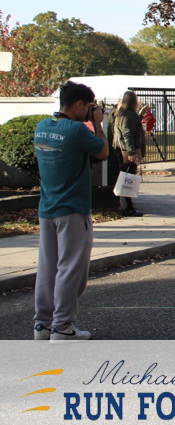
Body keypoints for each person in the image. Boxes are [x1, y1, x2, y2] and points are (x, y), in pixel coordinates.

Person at [32, 81, 109, 340]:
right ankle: (63, 327)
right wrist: (98, 123)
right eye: (88, 107)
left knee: (48, 268)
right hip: (73, 209)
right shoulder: (77, 130)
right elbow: (103, 151)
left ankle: (42, 325)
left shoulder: (42, 127)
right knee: (71, 269)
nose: (89, 111)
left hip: (47, 208)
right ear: (78, 104)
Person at [111, 90, 145, 217]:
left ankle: (126, 206)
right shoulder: (129, 115)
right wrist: (131, 152)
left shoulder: (120, 114)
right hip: (126, 151)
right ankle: (127, 208)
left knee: (125, 178)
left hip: (120, 149)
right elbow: (128, 133)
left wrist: (140, 116)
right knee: (128, 179)